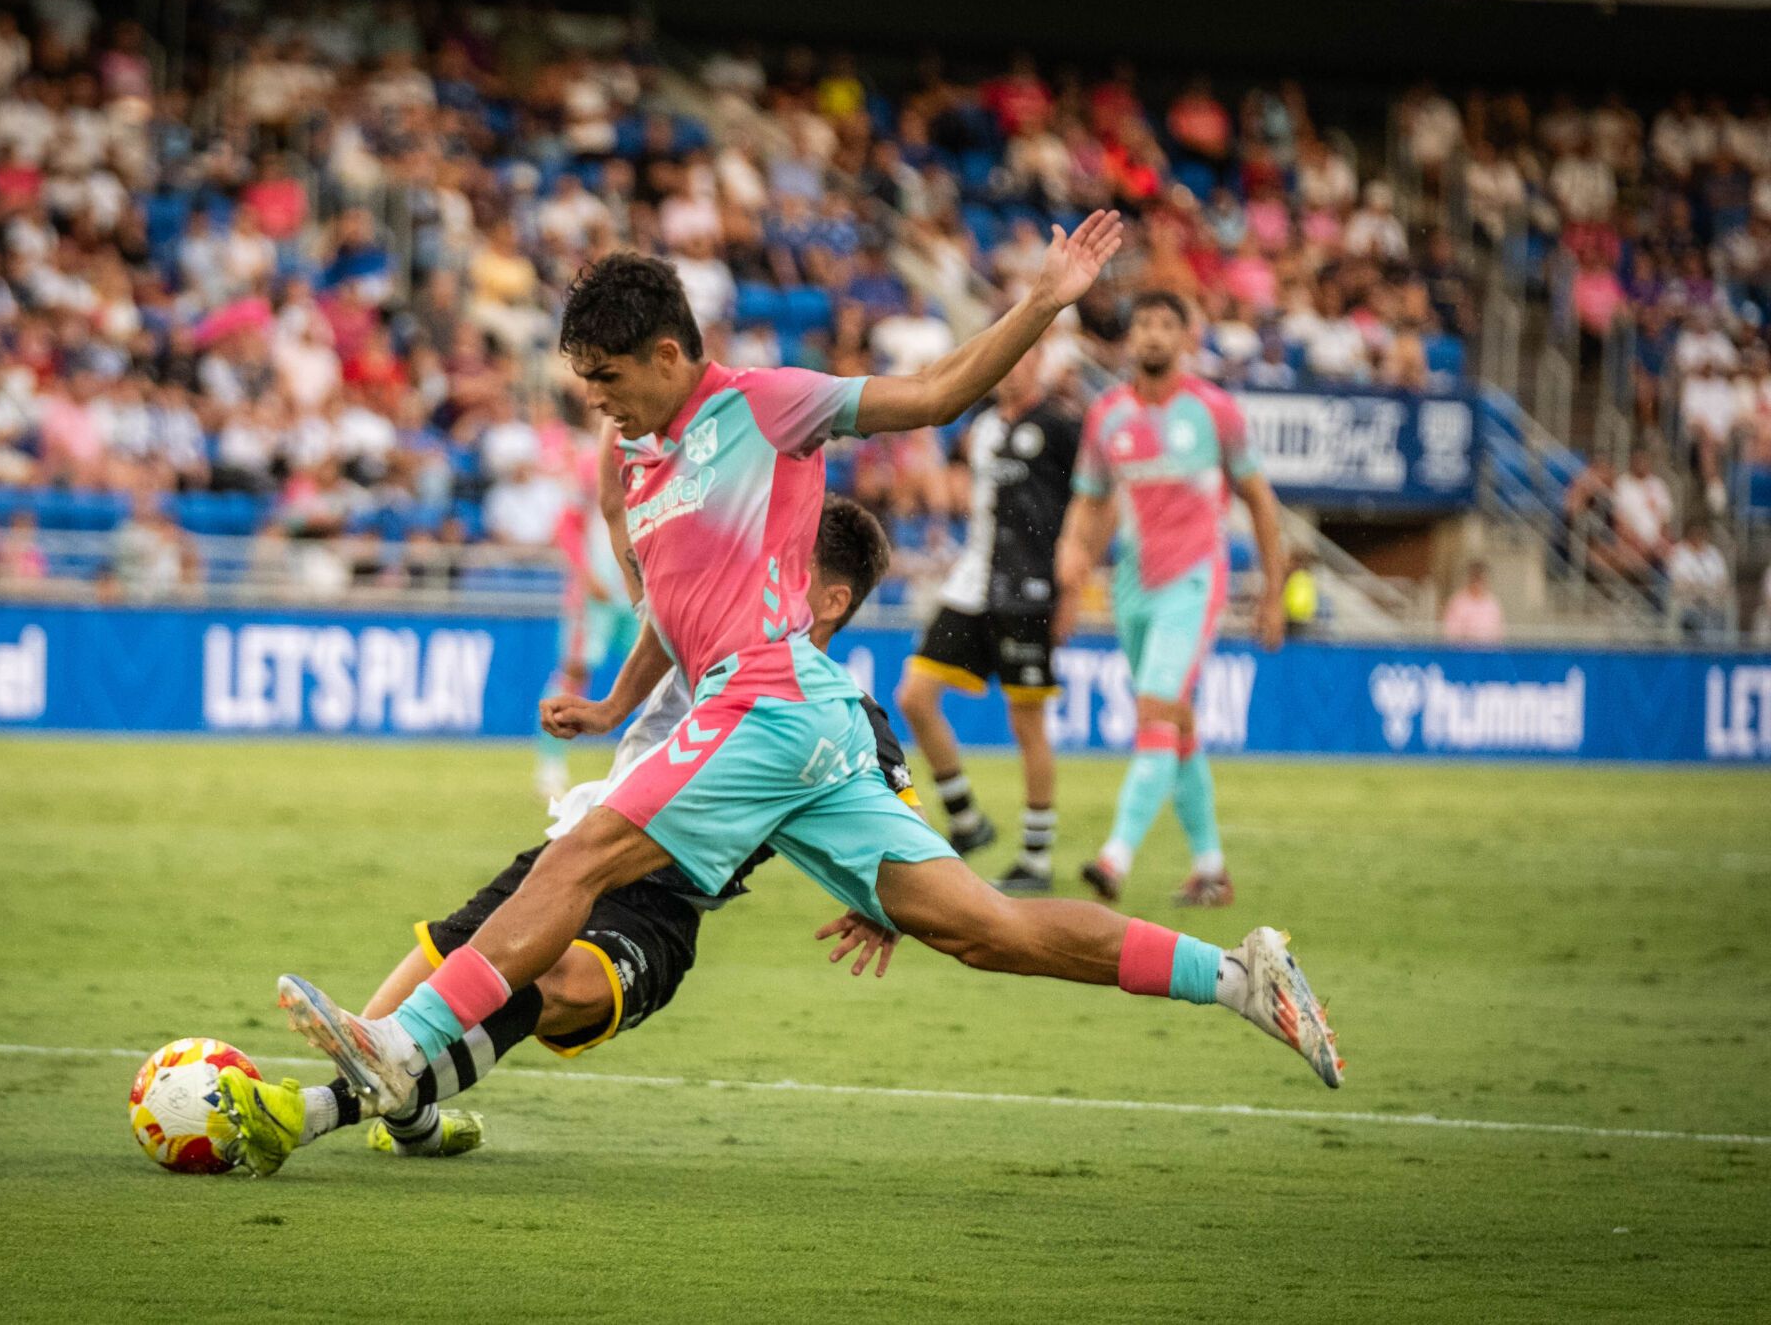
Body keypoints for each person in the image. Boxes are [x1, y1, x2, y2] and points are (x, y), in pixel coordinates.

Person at [273, 223, 1343, 1138]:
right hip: (798, 718)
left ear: (662, 352)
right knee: (982, 929)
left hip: (768, 699)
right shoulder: (642, 464)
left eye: (606, 380)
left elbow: (930, 396)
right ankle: (1240, 975)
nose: (596, 403)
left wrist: (1042, 305)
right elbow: (674, 612)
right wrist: (611, 704)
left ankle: (402, 1047)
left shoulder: (766, 405)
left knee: (584, 851)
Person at [216, 498, 909, 1174]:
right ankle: (414, 1121)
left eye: (790, 563)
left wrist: (886, 904)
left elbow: (905, 834)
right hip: (573, 853)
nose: (765, 569)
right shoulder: (708, 624)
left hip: (658, 908)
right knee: (378, 1022)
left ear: (832, 602)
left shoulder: (846, 716)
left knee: (548, 978)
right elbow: (618, 510)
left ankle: (306, 1113)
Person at [1053, 290, 1288, 909]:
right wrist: (1072, 561)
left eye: (1166, 324)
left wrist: (1273, 591)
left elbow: (1261, 502)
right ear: (1129, 340)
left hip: (1195, 580)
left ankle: (1114, 857)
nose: (1153, 334)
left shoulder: (1216, 412)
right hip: (1133, 587)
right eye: (1143, 324)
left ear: (1187, 338)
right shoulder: (1106, 416)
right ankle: (1210, 869)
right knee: (1174, 722)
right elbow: (1092, 500)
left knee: (1155, 710)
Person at [895, 343, 1080, 892]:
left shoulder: (1060, 427)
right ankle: (967, 820)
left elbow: (1093, 502)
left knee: (1027, 725)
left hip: (1028, 592)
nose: (1011, 366)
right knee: (914, 696)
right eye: (1005, 355)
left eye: (1020, 356)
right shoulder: (980, 428)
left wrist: (1069, 590)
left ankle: (1036, 859)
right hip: (972, 581)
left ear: (1037, 364)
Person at [536, 435, 643, 800]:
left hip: (639, 592)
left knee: (654, 675)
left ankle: (648, 765)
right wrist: (585, 575)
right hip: (594, 594)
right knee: (575, 672)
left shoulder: (654, 455)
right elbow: (566, 526)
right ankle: (550, 767)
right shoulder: (590, 463)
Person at [1441, 561, 1505, 644]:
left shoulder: (1492, 603)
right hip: (1463, 652)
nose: (1478, 583)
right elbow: (1450, 633)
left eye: (1481, 578)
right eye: (1475, 578)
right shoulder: (1457, 602)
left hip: (1487, 652)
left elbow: (1499, 633)